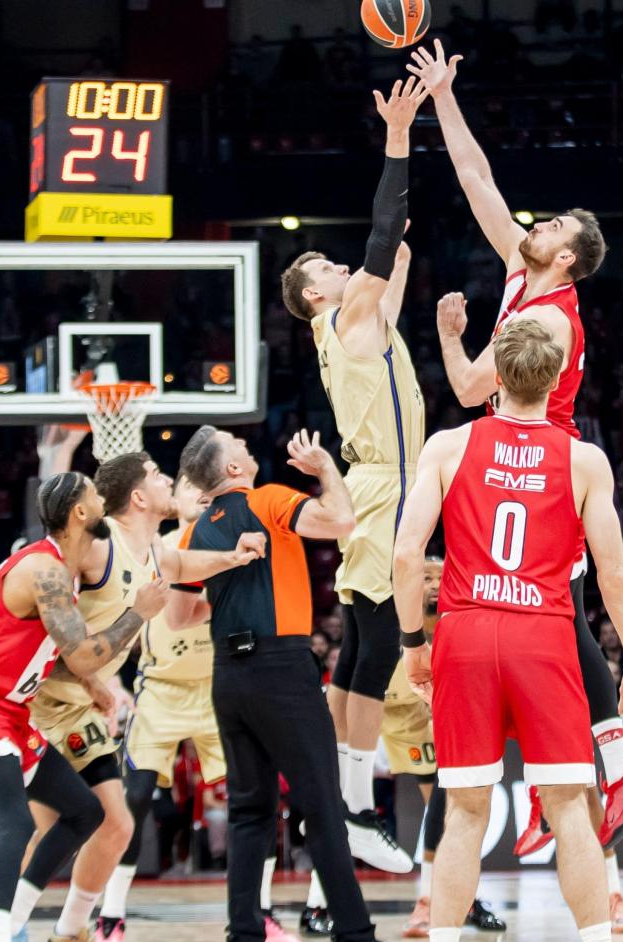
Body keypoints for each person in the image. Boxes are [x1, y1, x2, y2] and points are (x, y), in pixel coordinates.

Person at [407, 41, 623, 898]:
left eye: (548, 227)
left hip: (542, 467)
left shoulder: (552, 320)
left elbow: (477, 383)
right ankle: (596, 775)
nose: (533, 223)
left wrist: (446, 333)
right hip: (512, 454)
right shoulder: (524, 270)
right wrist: (445, 97)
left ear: (566, 257)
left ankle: (612, 769)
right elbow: (477, 178)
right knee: (547, 624)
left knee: (550, 616)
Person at [392, 315, 623, 942]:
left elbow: (405, 556)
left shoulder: (448, 448)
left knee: (465, 813)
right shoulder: (584, 460)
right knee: (571, 808)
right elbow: (616, 576)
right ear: (559, 378)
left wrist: (413, 646)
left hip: (467, 631)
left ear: (495, 378)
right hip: (545, 633)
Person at [176, 425, 409, 942]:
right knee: (324, 806)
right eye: (236, 444)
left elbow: (179, 613)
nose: (244, 445)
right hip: (281, 669)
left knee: (248, 812)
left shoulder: (194, 533)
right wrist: (326, 468)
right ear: (233, 470)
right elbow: (343, 521)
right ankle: (353, 940)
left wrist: (233, 590)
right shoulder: (270, 499)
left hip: (228, 677)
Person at [24, 452, 261, 942]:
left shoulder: (152, 547)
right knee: (48, 833)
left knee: (113, 825)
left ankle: (67, 932)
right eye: (157, 475)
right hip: (43, 703)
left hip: (79, 705)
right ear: (137, 496)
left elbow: (183, 564)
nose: (166, 481)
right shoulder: (97, 541)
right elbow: (47, 566)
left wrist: (234, 557)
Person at [279, 76, 426, 875]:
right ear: (315, 294)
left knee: (361, 648)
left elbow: (392, 251)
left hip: (382, 485)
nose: (344, 267)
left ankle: (337, 801)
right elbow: (382, 237)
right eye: (329, 267)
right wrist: (398, 138)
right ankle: (357, 809)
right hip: (386, 486)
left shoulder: (361, 321)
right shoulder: (344, 316)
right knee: (375, 652)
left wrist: (394, 238)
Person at [0, 472, 160, 942]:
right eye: (95, 496)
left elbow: (53, 655)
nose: (103, 500)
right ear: (81, 512)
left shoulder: (63, 572)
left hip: (11, 712)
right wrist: (138, 612)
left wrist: (94, 687)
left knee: (85, 811)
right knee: (15, 822)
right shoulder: (45, 571)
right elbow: (81, 653)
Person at [399, 556, 508, 940]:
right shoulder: (404, 627)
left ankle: (462, 898)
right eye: (425, 577)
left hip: (453, 719)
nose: (431, 584)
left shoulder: (459, 620)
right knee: (443, 806)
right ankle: (430, 901)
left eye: (439, 577)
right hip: (411, 727)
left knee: (454, 808)